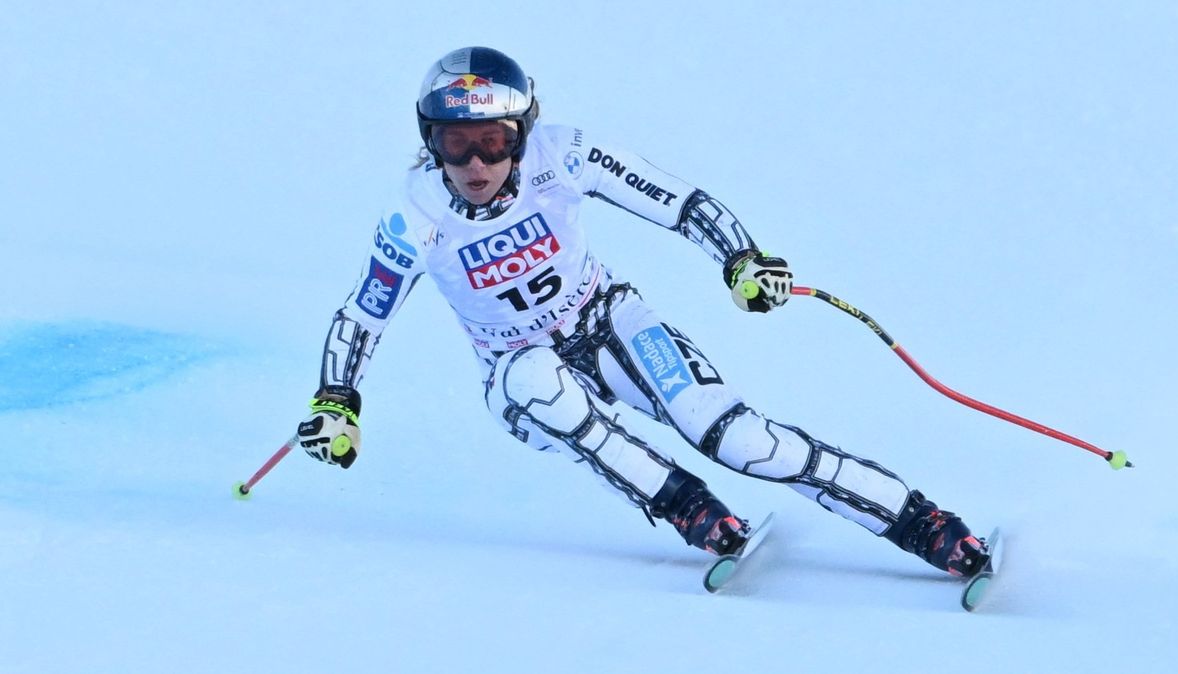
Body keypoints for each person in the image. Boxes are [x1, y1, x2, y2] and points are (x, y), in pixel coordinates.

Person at [295, 46, 990, 577]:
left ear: (522, 134)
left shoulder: (563, 154)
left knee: (742, 442)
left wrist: (741, 258)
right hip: (514, 371)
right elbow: (364, 314)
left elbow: (677, 201)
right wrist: (337, 402)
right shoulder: (413, 216)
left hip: (607, 320)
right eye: (456, 143)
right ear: (431, 141)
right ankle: (688, 506)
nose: (476, 166)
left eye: (494, 141)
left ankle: (922, 523)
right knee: (537, 380)